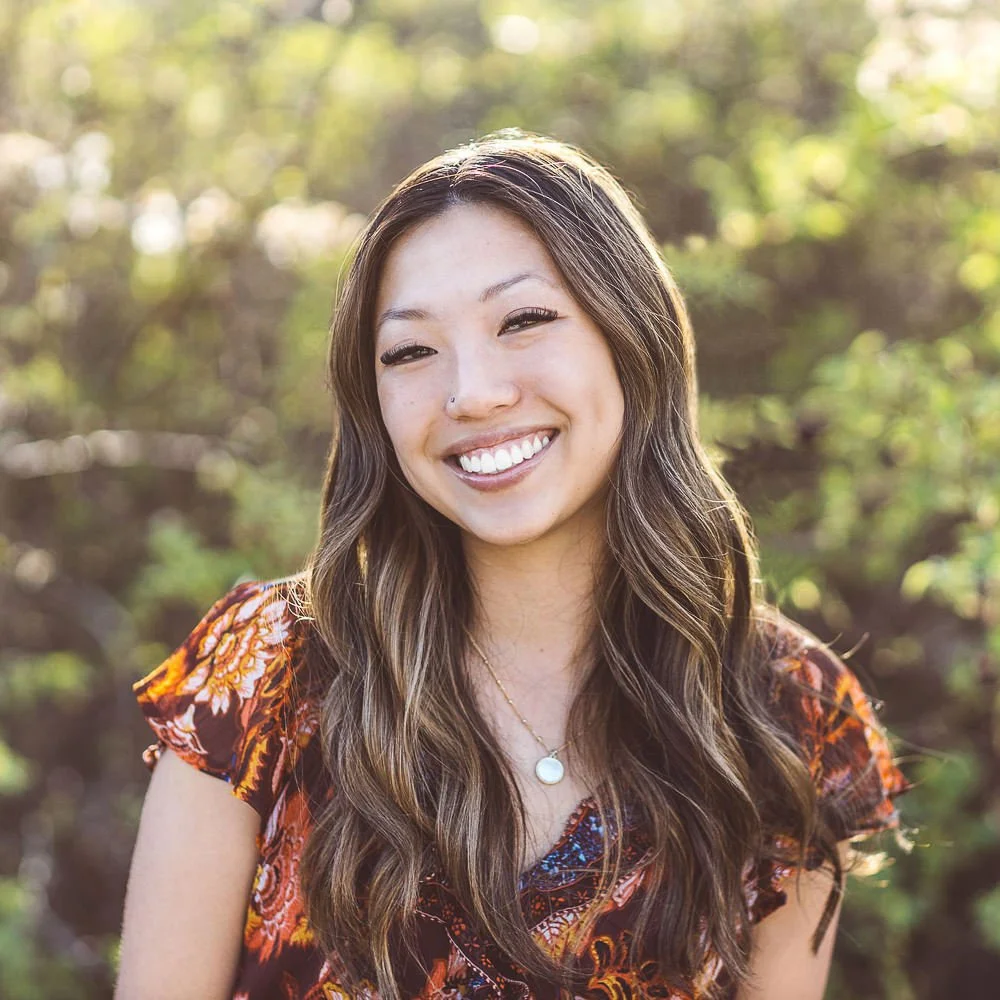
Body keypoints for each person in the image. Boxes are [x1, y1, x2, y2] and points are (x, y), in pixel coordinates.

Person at [115, 131, 911, 1000]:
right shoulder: (265, 674)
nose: (472, 393)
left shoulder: (788, 714)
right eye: (411, 351)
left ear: (629, 334)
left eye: (523, 321)